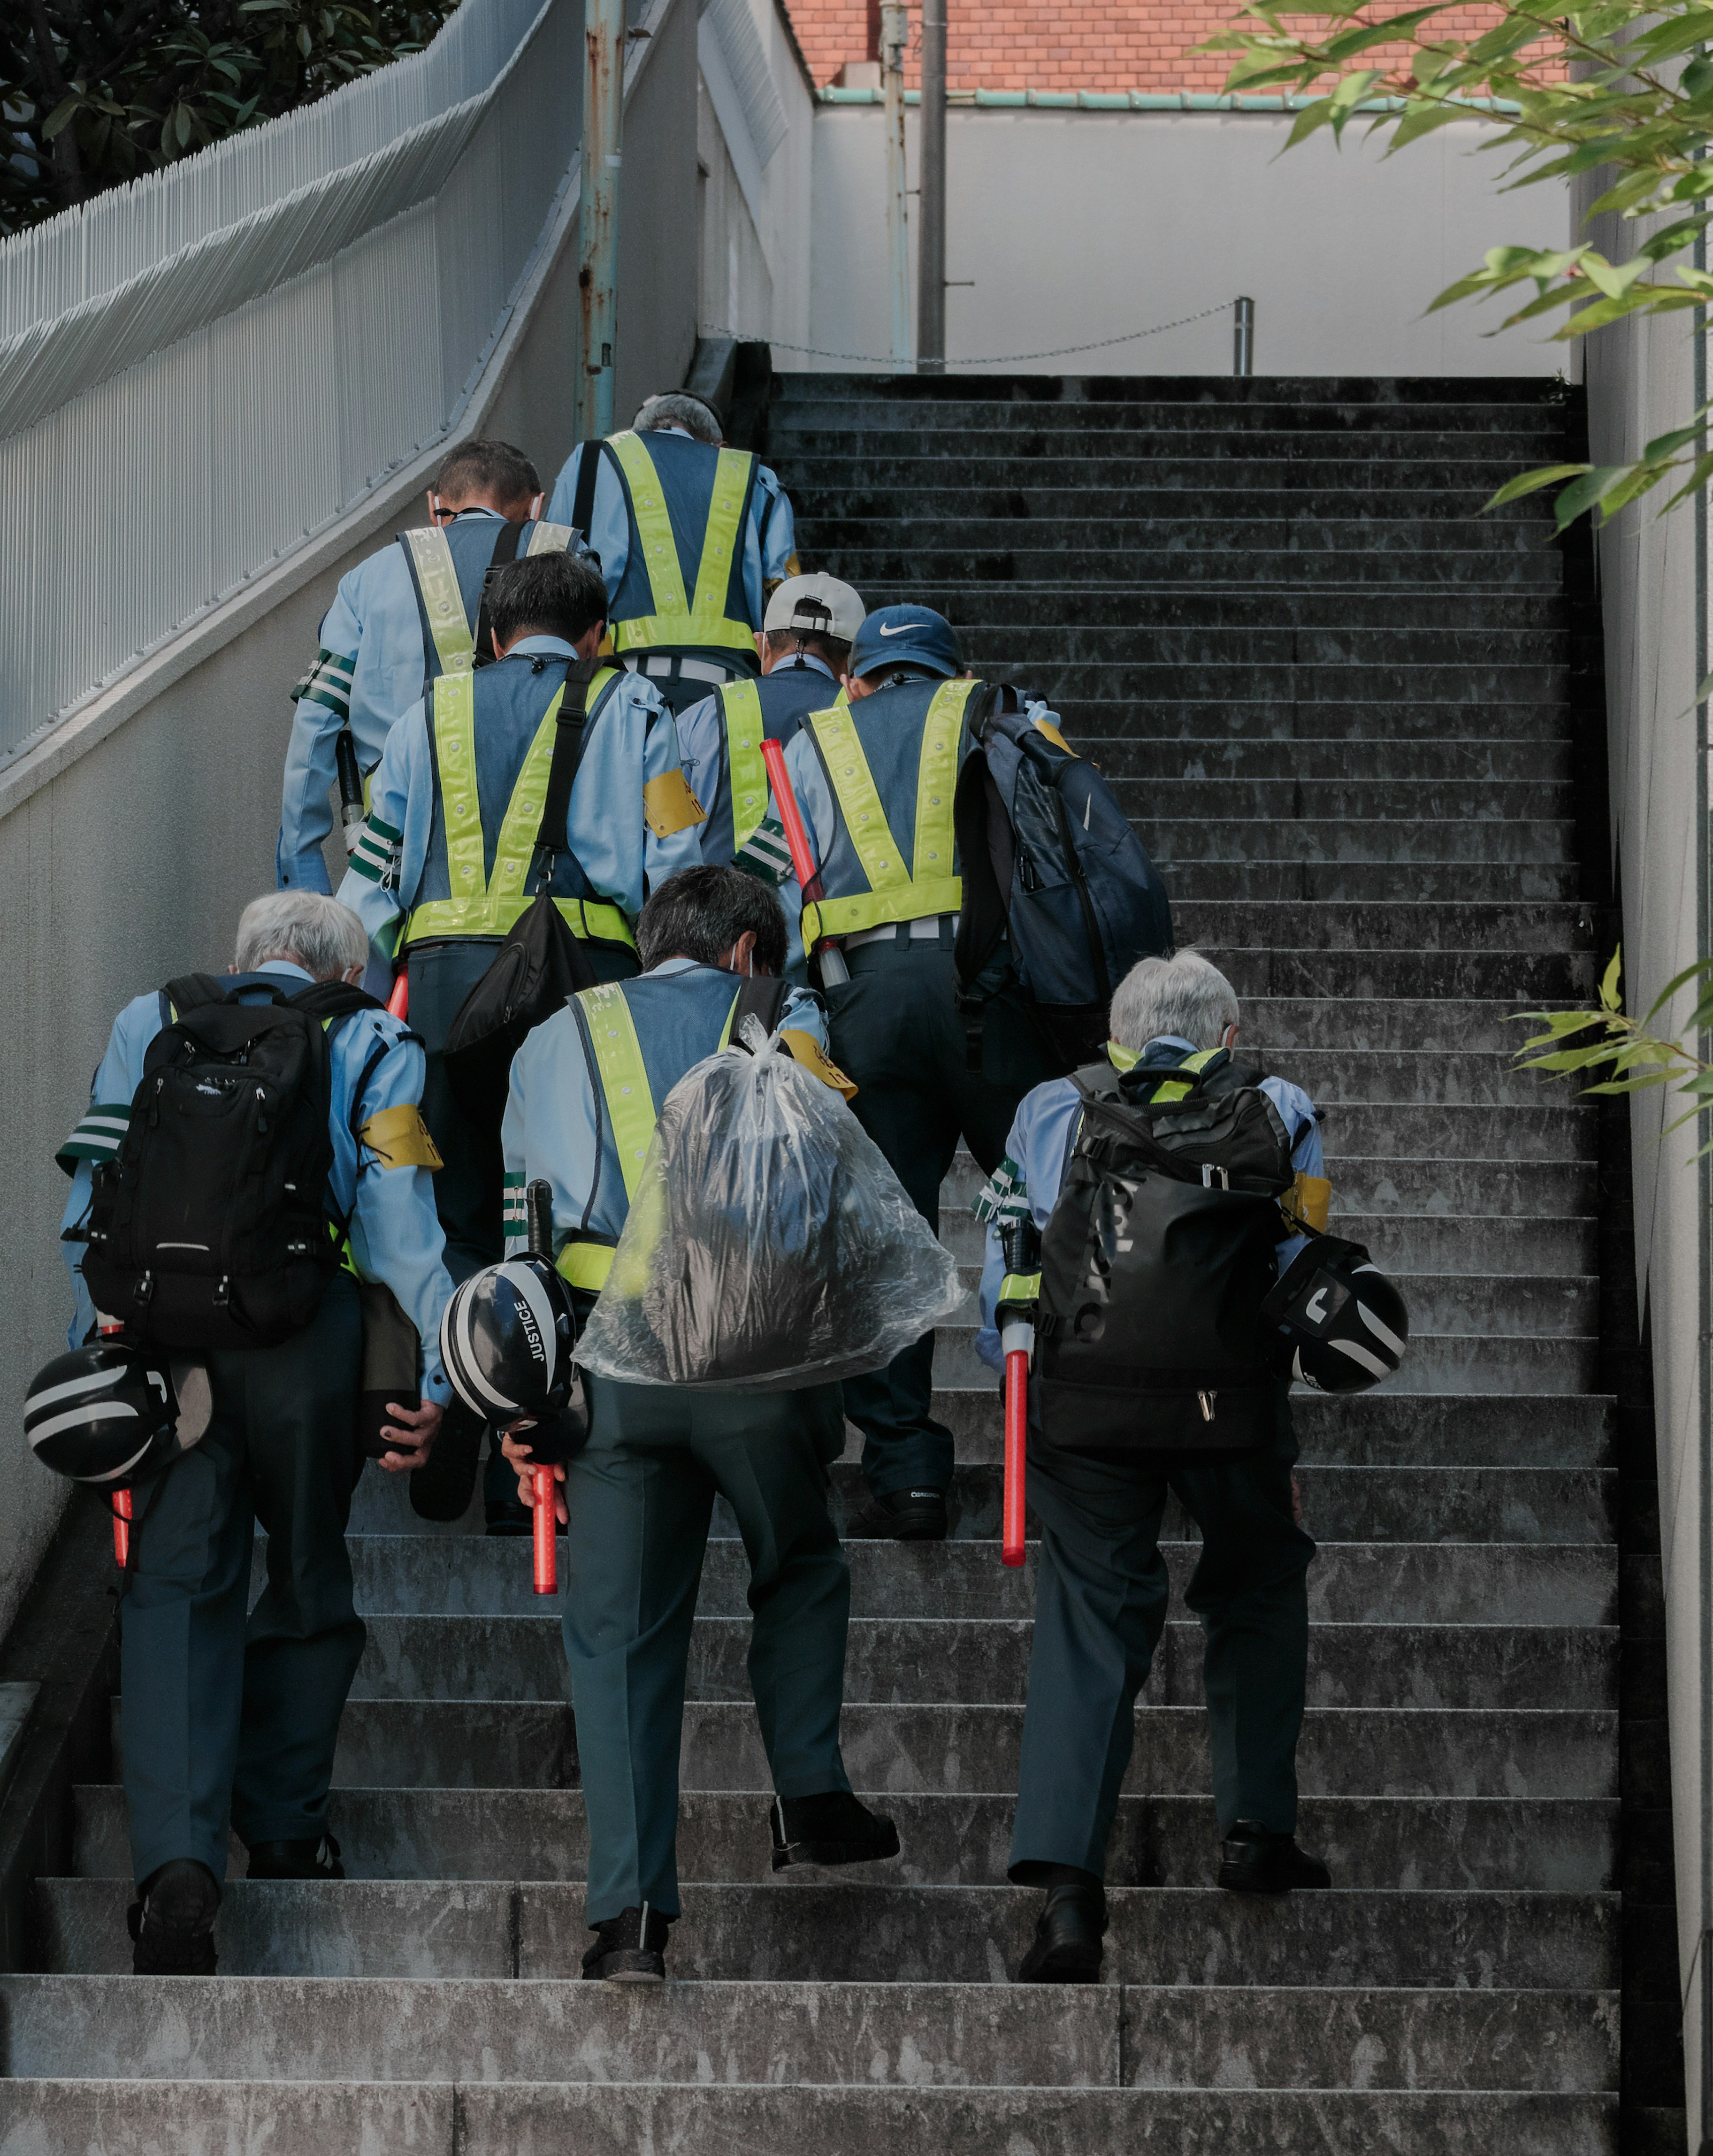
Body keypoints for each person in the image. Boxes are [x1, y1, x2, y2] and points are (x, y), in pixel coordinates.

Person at [499, 863, 898, 1984]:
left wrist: (523, 1401)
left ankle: (626, 1921)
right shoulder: (778, 1017)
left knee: (618, 1639)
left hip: (610, 1369)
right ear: (744, 951)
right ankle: (811, 1793)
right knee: (802, 1559)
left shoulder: (553, 1037)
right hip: (757, 1356)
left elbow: (515, 1224)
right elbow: (834, 1185)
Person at [55, 891, 453, 1977]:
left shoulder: (152, 1018)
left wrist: (96, 1345)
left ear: (247, 959)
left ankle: (178, 1866)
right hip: (304, 1341)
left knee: (175, 1588)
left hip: (168, 1345)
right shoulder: (371, 1037)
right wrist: (445, 1378)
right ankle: (283, 1821)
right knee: (309, 1568)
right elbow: (399, 1225)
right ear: (346, 967)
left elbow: (92, 1192)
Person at [977, 950, 1333, 1985]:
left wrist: (1016, 1379)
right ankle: (1257, 1831)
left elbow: (1010, 1258)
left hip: (1083, 1409)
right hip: (1234, 1408)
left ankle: (1070, 1899)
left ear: (1115, 1039)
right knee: (1260, 1582)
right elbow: (1300, 1258)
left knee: (1090, 1616)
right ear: (1226, 1035)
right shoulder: (1278, 1103)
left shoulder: (1052, 1107)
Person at [336, 548, 704, 1525]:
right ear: (596, 637)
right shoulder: (634, 709)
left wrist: (358, 1020)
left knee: (460, 1215)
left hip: (446, 996)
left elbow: (371, 880)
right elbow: (677, 862)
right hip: (584, 997)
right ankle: (543, 1468)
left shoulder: (426, 715)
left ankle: (467, 1402)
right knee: (574, 1215)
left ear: (493, 637)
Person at [777, 603, 1060, 1541]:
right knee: (1046, 1205)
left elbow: (773, 888)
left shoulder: (808, 743)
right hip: (991, 995)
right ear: (950, 673)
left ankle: (906, 1474)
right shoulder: (1001, 710)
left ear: (857, 679)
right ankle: (1071, 1442)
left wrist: (800, 1015)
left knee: (890, 1236)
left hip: (867, 1005)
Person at [277, 437, 551, 894]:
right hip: (536, 852)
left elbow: (316, 724)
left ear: (435, 504)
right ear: (537, 507)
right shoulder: (568, 567)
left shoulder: (368, 580)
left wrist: (300, 870)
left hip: (397, 852)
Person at [543, 393, 799, 716]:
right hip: (732, 695)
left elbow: (549, 575)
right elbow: (788, 597)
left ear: (634, 437)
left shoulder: (590, 461)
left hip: (612, 688)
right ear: (720, 447)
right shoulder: (756, 476)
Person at [674, 572, 864, 974]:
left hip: (717, 954)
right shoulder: (864, 719)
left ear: (762, 646)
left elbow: (666, 835)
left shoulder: (699, 717)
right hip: (837, 958)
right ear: (853, 661)